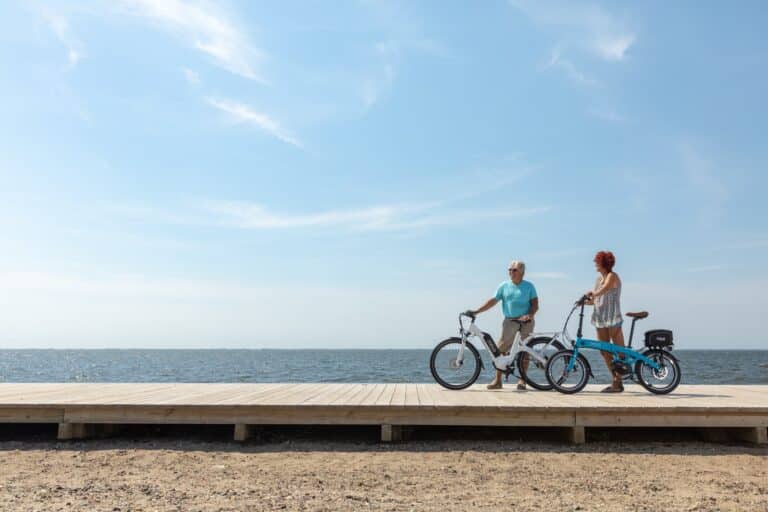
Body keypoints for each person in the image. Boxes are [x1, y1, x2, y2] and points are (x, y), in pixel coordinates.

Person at [468, 260, 538, 390]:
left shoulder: (529, 286)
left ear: (522, 272)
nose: (511, 272)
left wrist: (529, 315)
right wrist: (477, 311)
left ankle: (522, 381)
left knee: (524, 351)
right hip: (509, 322)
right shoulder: (504, 286)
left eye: (514, 270)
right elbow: (492, 301)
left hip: (526, 322)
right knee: (500, 350)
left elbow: (535, 305)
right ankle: (498, 380)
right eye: (509, 270)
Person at [585, 250, 626, 393]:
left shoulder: (612, 277)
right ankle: (616, 379)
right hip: (600, 319)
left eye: (597, 261)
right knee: (604, 351)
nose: (595, 263)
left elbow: (605, 289)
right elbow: (596, 298)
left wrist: (593, 293)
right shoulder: (598, 280)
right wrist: (584, 302)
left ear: (604, 263)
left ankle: (618, 381)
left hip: (612, 318)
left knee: (620, 352)